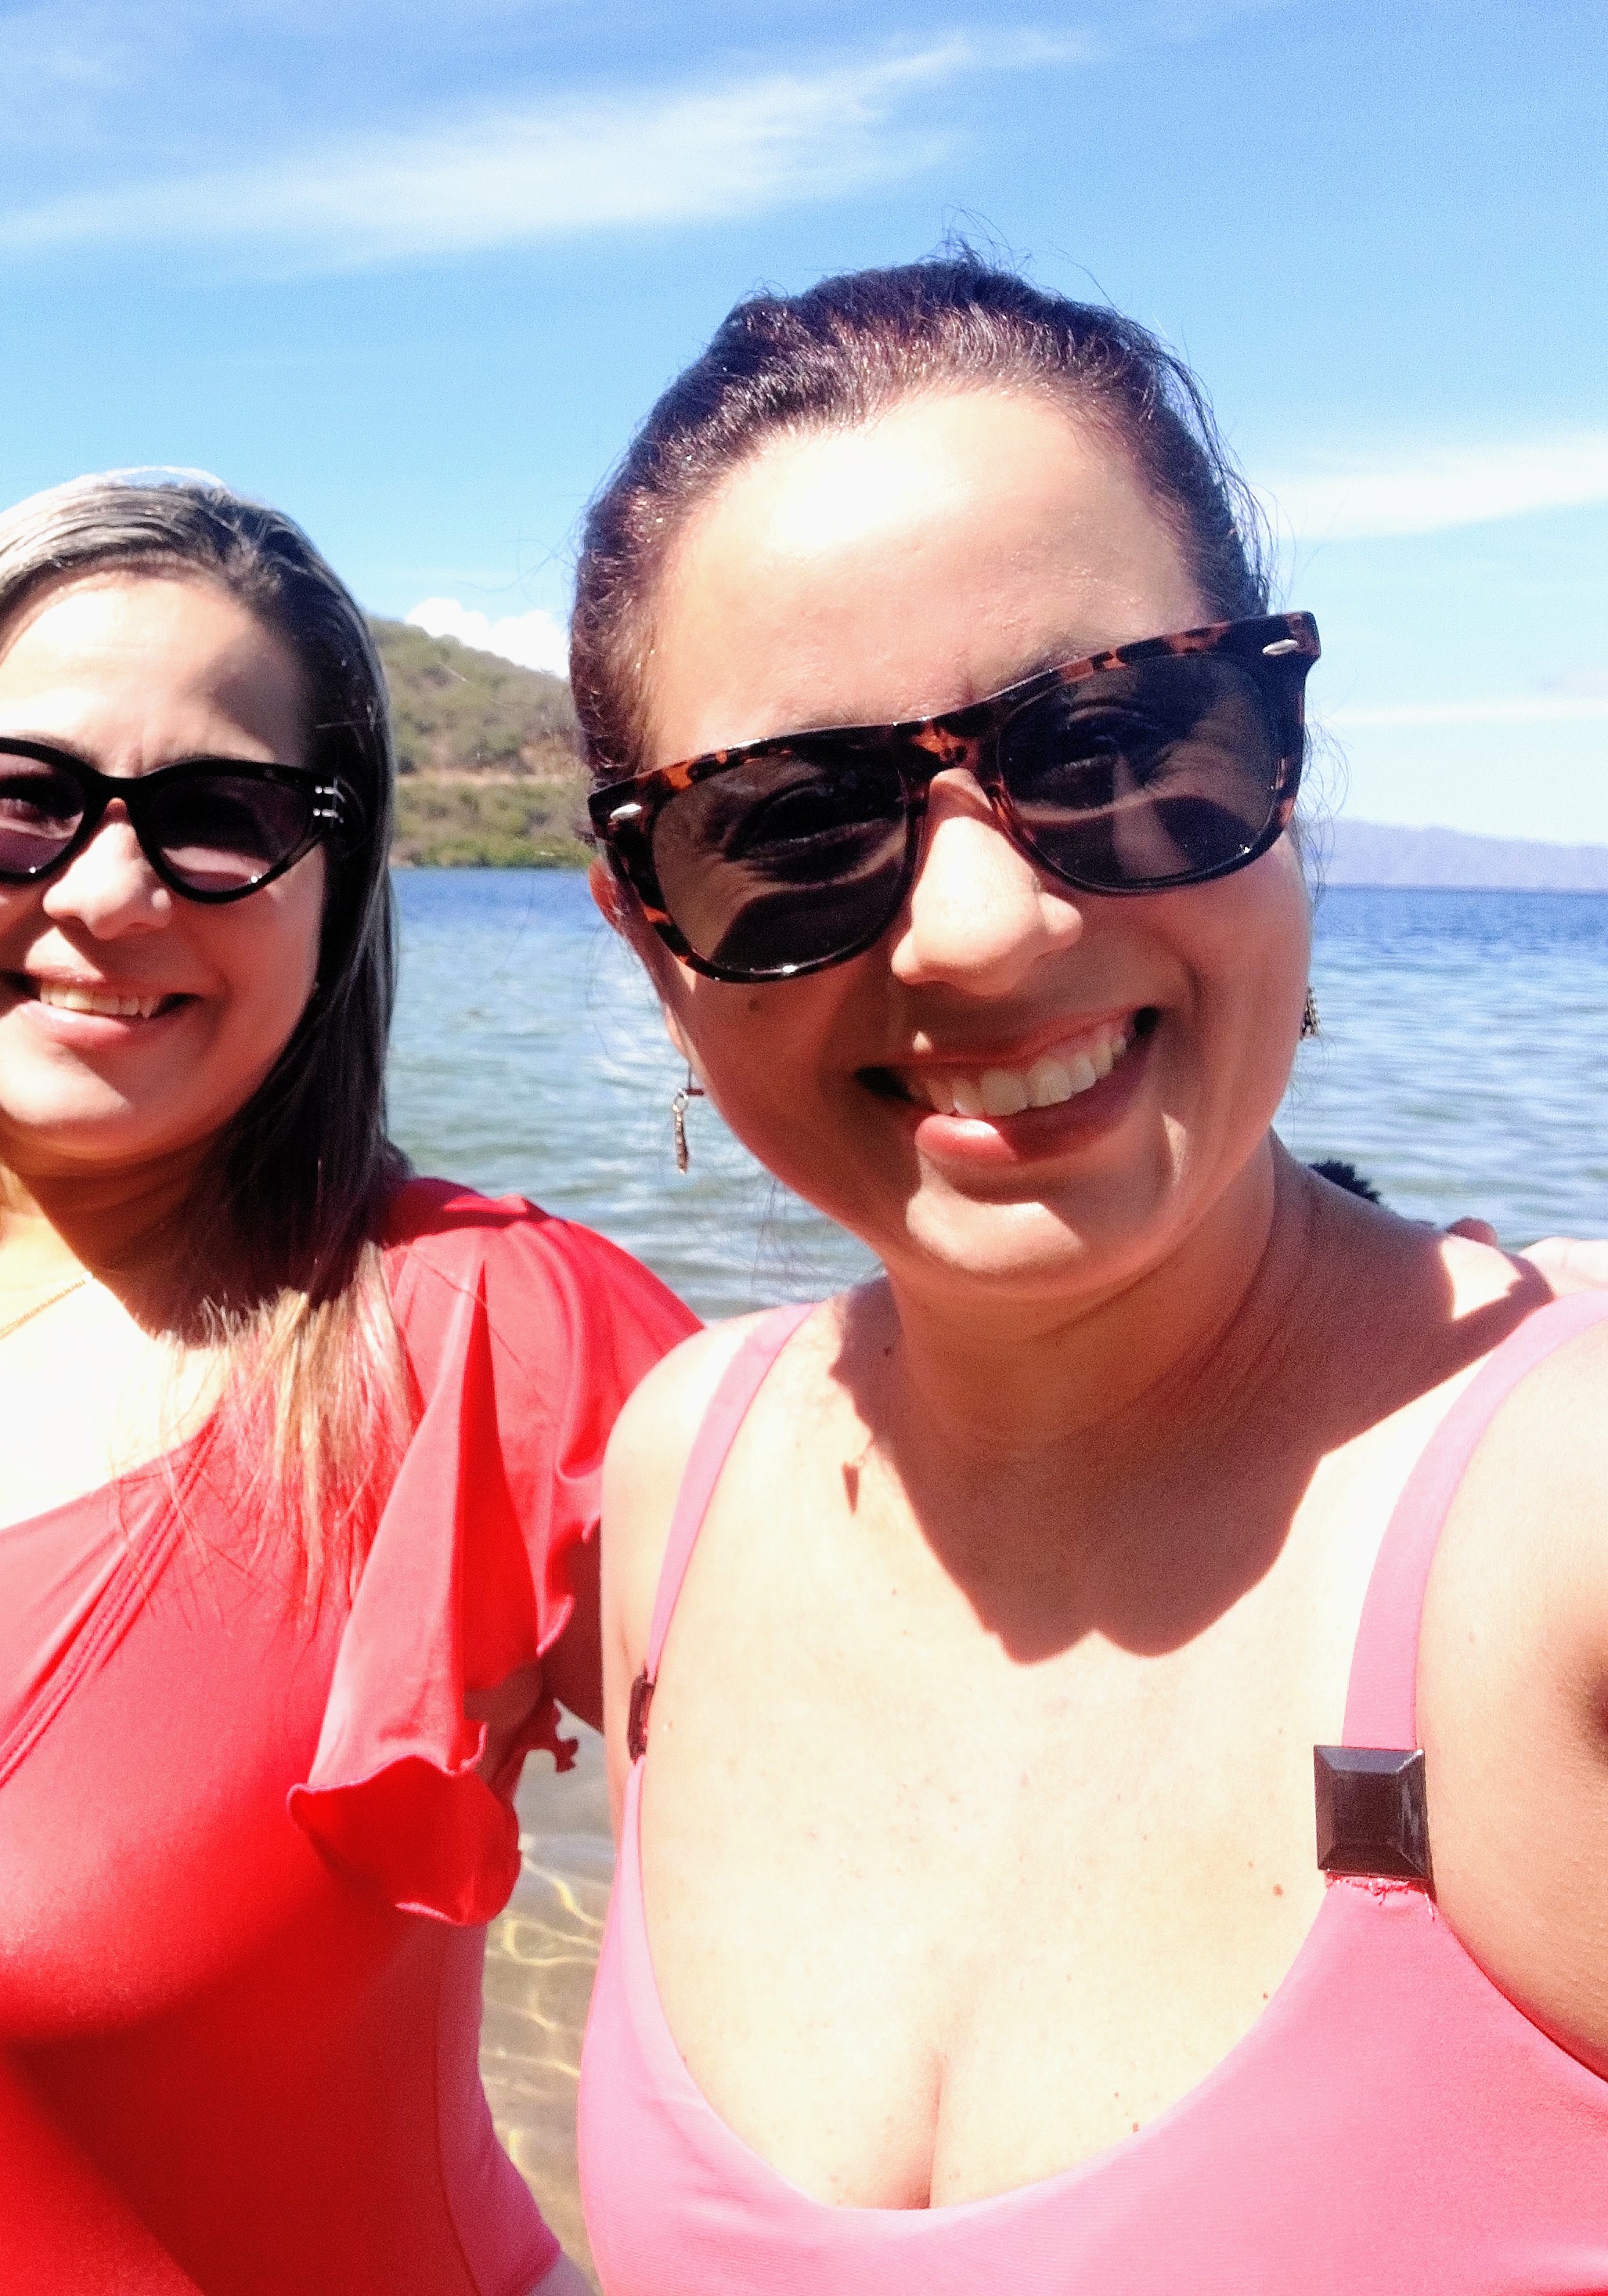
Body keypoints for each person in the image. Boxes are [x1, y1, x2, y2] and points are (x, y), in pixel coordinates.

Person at [569, 256, 1608, 2287]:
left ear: (1279, 752)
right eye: (791, 825)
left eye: (1118, 741)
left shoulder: (1559, 1531)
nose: (981, 926)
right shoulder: (685, 1475)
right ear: (649, 936)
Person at [0, 472, 696, 2294]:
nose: (107, 892)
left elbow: (953, 1880)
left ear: (333, 881)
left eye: (219, 817)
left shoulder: (489, 1342)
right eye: (19, 796)